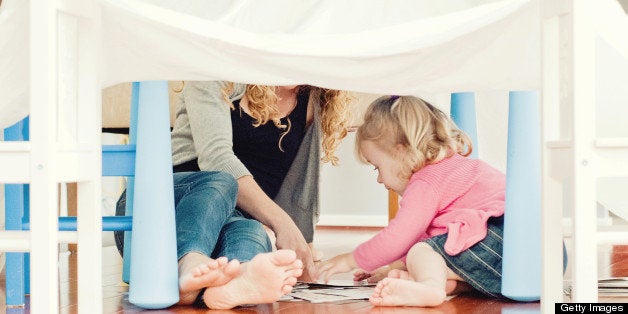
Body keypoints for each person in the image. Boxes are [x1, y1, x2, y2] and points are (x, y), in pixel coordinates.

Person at [115, 81, 352, 307]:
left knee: (251, 230)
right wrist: (283, 224)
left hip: (228, 222)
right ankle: (187, 261)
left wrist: (301, 251)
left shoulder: (313, 97)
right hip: (161, 213)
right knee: (222, 182)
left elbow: (302, 187)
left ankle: (232, 283)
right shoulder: (215, 77)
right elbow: (217, 159)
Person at [317, 95, 507, 307]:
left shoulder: (426, 181)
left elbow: (400, 237)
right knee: (431, 249)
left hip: (493, 241)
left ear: (401, 152)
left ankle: (431, 287)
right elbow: (434, 238)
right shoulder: (455, 169)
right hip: (516, 252)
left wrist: (349, 260)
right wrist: (391, 268)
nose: (379, 179)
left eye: (377, 167)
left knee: (422, 250)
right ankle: (444, 284)